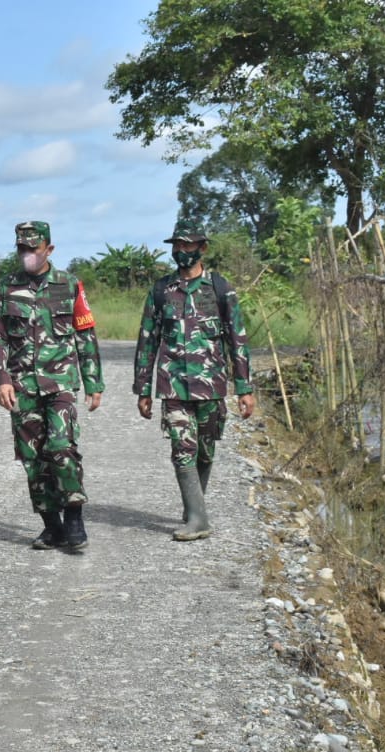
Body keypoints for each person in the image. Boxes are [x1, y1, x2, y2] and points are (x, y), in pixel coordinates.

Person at [133, 218, 255, 541]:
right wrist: (143, 389)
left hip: (211, 385)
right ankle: (199, 519)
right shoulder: (161, 291)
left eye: (188, 245)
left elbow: (237, 339)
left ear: (202, 248)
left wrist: (244, 388)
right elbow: (147, 341)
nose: (182, 251)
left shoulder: (220, 288)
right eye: (177, 245)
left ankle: (193, 507)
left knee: (205, 449)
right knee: (181, 447)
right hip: (172, 384)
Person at [0, 220, 104, 551]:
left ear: (48, 249)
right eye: (21, 249)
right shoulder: (4, 288)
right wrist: (1, 379)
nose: (26, 255)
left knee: (62, 448)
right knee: (32, 458)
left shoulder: (69, 285)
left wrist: (94, 382)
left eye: (32, 249)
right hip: (22, 386)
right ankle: (52, 526)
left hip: (61, 384)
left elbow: (85, 335)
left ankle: (75, 517)